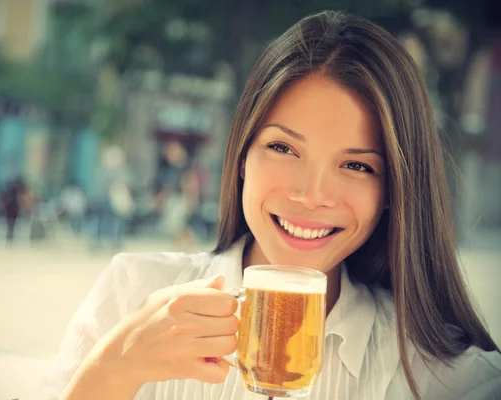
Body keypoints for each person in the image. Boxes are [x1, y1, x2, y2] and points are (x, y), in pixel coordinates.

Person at [39, 11, 501, 400]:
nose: (310, 194)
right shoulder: (131, 294)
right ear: (242, 156)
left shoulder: (438, 374)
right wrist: (113, 370)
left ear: (394, 192)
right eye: (283, 148)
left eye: (357, 166)